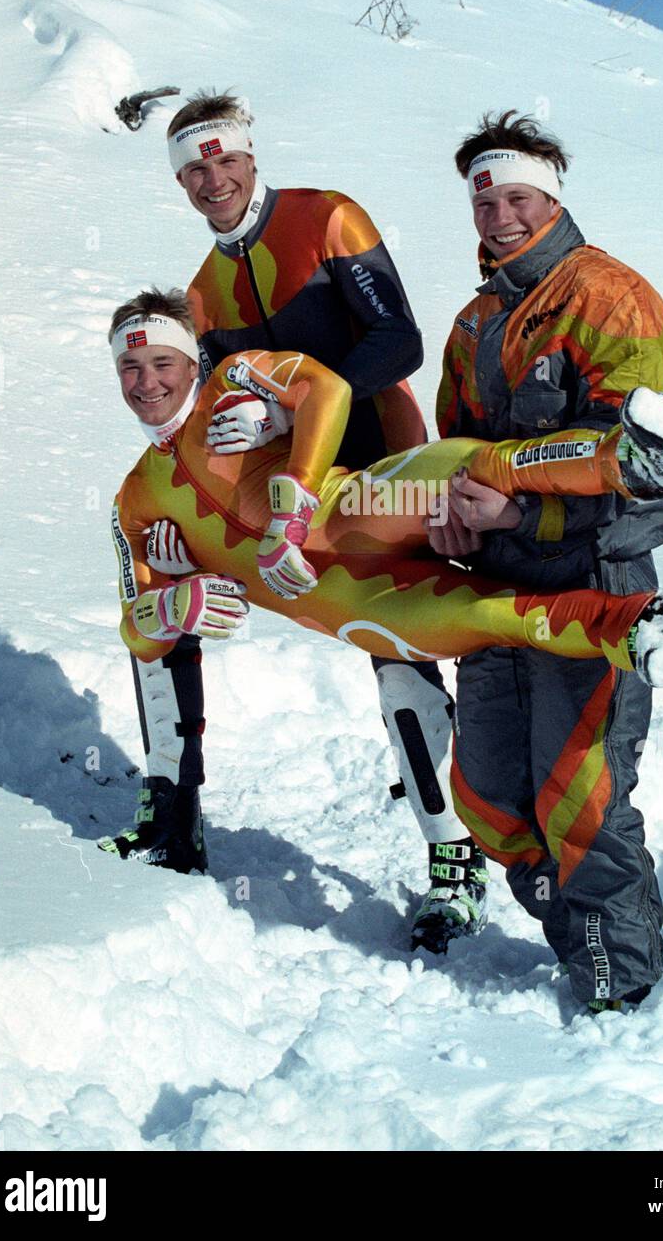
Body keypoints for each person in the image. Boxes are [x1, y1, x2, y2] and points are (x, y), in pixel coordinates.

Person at [99, 291, 663, 895]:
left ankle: (631, 460)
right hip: (341, 598)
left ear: (191, 363)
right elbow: (140, 630)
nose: (145, 381)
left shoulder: (230, 382)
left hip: (350, 510)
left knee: (471, 469)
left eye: (162, 362)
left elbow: (327, 389)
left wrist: (290, 503)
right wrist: (172, 605)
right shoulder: (134, 498)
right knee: (494, 618)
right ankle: (649, 626)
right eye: (130, 369)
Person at [152, 89, 486, 951]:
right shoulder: (202, 290)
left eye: (223, 157)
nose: (211, 176)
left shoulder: (327, 217)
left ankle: (477, 838)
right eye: (194, 166)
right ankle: (454, 843)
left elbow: (399, 342)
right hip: (305, 499)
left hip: (390, 462)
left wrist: (291, 413)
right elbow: (215, 407)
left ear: (251, 157)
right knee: (394, 651)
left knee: (439, 650)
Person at [430, 110, 663, 1012]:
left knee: (581, 803)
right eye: (486, 200)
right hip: (494, 597)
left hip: (593, 586)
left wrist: (523, 508)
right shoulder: (475, 322)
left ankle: (622, 992)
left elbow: (651, 476)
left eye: (518, 197)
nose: (500, 215)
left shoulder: (610, 298)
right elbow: (454, 452)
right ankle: (579, 943)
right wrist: (453, 519)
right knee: (488, 797)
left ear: (552, 196)